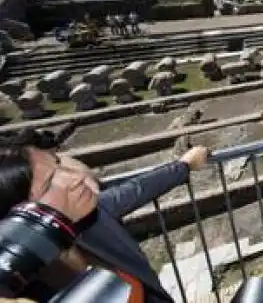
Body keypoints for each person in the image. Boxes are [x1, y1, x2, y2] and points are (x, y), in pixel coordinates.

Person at [0, 129, 209, 303]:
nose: (77, 177)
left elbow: (136, 189)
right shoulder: (24, 292)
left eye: (58, 164)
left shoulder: (93, 212)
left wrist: (184, 166)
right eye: (48, 185)